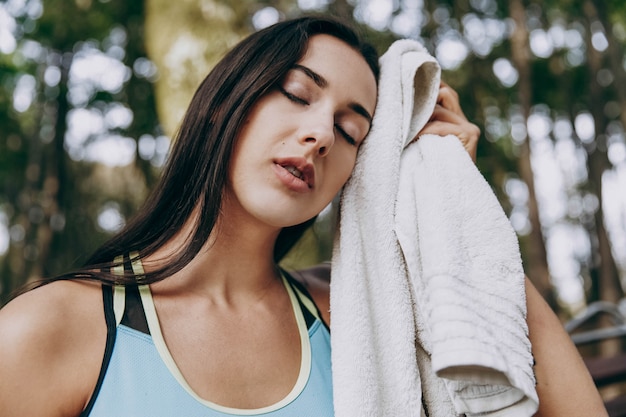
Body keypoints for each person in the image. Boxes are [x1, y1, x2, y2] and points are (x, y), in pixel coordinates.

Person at [0, 16, 606, 417]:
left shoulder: (355, 315)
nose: (321, 135)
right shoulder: (52, 328)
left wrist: (446, 206)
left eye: (351, 131)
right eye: (296, 92)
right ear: (223, 103)